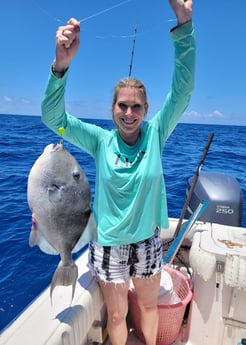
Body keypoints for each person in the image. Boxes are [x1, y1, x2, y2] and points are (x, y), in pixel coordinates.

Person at [41, 0, 195, 344]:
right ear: (112, 108)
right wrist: (60, 67)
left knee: (150, 308)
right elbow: (54, 120)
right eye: (122, 105)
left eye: (136, 106)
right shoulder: (99, 139)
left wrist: (184, 26)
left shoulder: (156, 132)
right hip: (108, 245)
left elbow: (182, 91)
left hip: (148, 242)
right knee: (115, 315)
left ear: (146, 110)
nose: (129, 112)